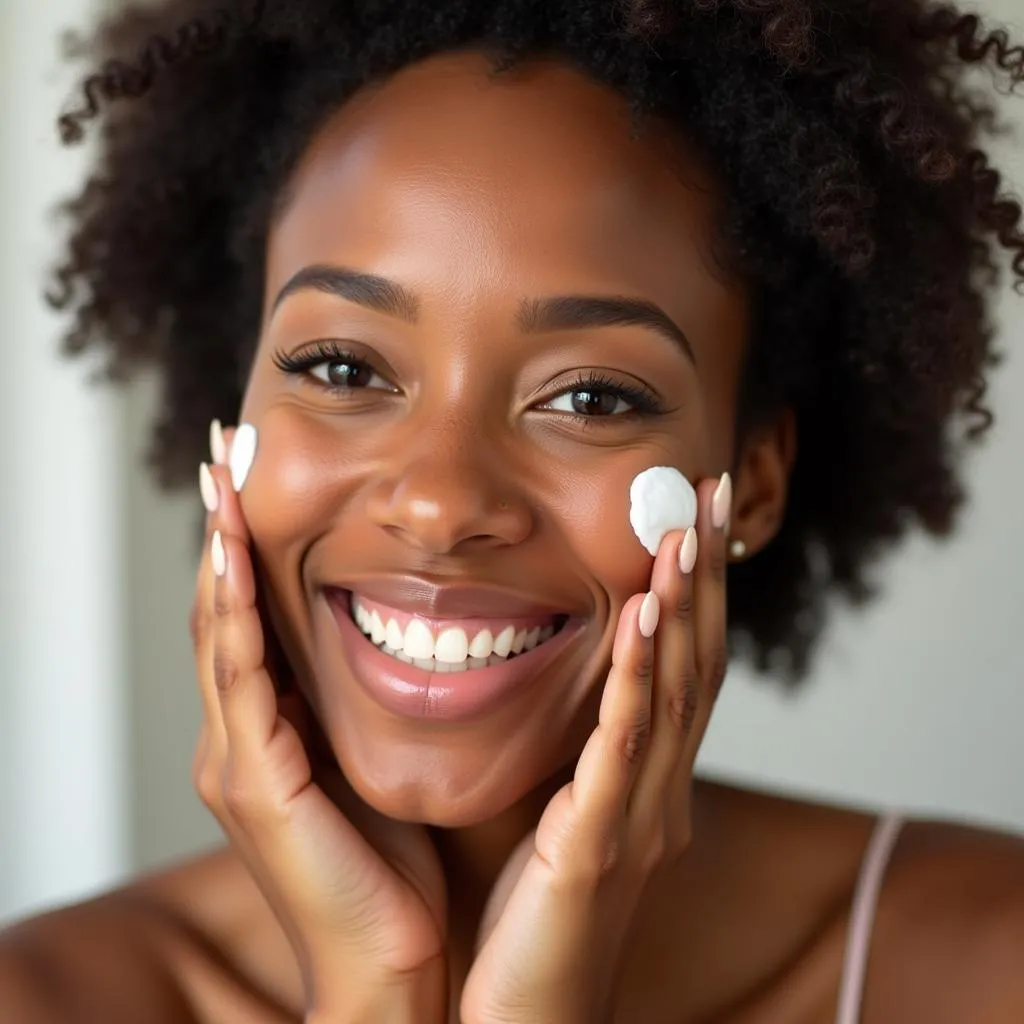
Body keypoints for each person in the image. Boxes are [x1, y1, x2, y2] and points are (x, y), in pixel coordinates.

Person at [3, 0, 1024, 1020]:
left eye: (589, 397)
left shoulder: (984, 963)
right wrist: (372, 992)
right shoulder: (46, 996)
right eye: (342, 366)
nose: (442, 502)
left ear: (749, 481)